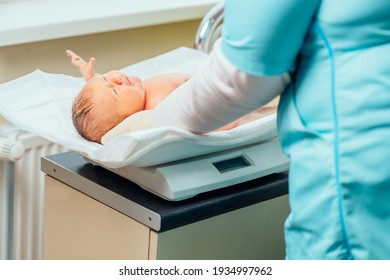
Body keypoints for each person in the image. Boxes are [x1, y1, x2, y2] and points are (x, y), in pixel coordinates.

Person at [103, 0, 390, 259]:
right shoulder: (150, 99)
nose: (117, 82)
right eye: (110, 91)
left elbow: (243, 76)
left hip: (360, 153)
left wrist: (149, 123)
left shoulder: (151, 101)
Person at [66, 50, 278, 143]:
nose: (116, 79)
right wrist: (225, 121)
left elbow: (101, 101)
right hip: (232, 90)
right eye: (114, 91)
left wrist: (91, 77)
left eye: (106, 78)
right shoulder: (156, 106)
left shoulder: (138, 93)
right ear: (126, 118)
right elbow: (196, 117)